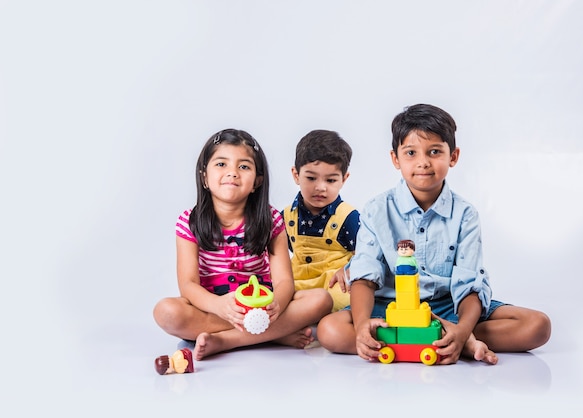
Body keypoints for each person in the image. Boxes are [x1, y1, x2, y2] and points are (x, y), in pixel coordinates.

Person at [316, 104, 551, 365]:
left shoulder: (465, 214)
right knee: (330, 330)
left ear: (453, 156)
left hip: (446, 308)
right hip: (390, 309)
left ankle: (445, 337)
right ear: (396, 159)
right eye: (411, 153)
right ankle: (449, 341)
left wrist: (461, 328)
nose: (423, 162)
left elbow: (468, 283)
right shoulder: (377, 209)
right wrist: (361, 326)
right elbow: (364, 275)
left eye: (435, 151)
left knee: (537, 325)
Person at [153, 129, 333, 361]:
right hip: (214, 307)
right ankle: (271, 335)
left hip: (262, 306)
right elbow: (188, 284)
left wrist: (276, 304)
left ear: (257, 181)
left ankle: (226, 340)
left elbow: (283, 281)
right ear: (204, 177)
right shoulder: (189, 222)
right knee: (166, 312)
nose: (232, 173)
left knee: (321, 300)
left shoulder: (271, 221)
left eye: (244, 166)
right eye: (221, 164)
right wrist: (218, 305)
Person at [282, 130, 360, 312]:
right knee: (271, 296)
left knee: (348, 299)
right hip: (297, 282)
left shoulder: (347, 216)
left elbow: (367, 253)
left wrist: (348, 269)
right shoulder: (286, 217)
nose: (320, 187)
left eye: (331, 180)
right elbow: (273, 255)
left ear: (344, 179)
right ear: (296, 175)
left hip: (334, 283)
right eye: (311, 178)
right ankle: (299, 317)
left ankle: (309, 317)